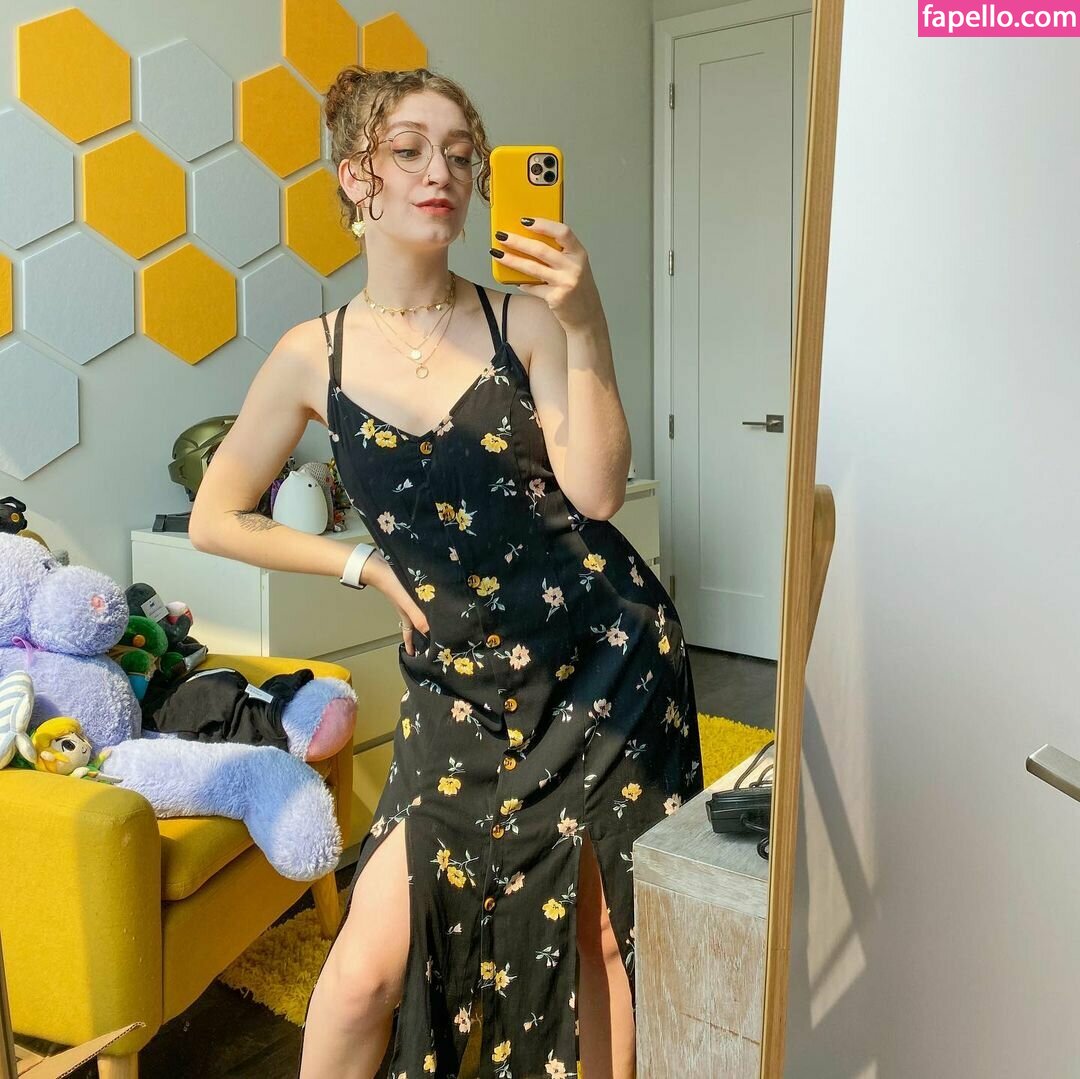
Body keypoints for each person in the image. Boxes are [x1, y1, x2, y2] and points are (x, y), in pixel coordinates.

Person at [189, 65, 703, 1079]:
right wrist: (362, 563)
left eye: (462, 155)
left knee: (602, 944)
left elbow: (599, 491)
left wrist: (588, 319)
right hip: (458, 687)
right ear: (356, 177)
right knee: (361, 976)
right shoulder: (314, 355)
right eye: (410, 149)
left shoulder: (527, 321)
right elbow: (217, 516)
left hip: (604, 665)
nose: (443, 172)